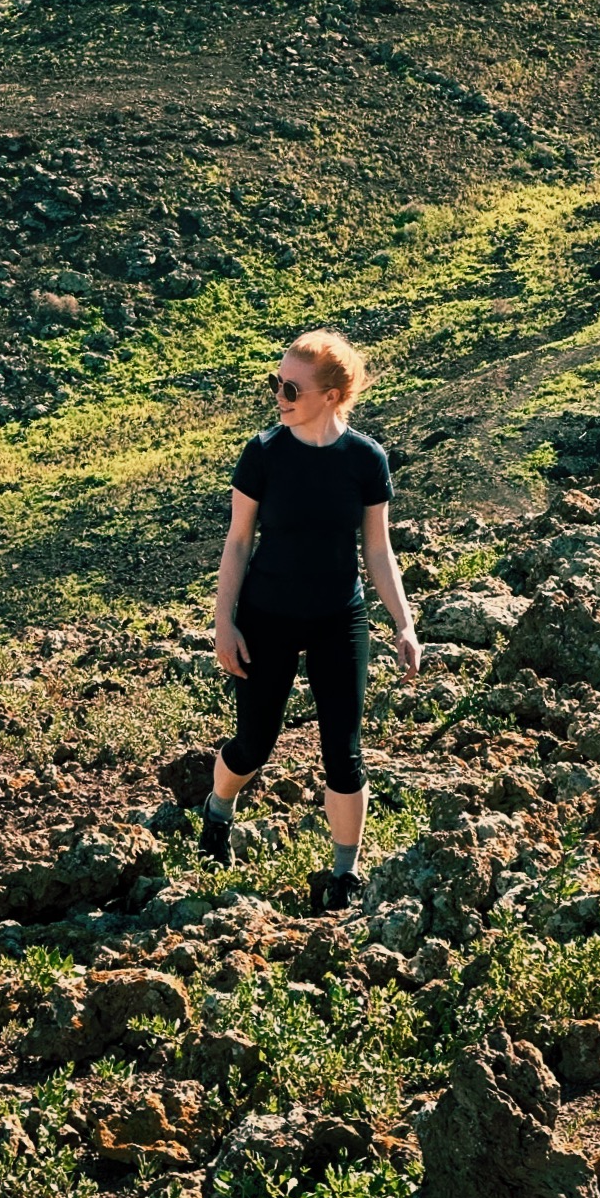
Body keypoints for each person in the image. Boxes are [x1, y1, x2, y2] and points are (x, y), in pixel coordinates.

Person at [201, 328, 422, 909]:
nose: (279, 394)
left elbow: (378, 550)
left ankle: (344, 876)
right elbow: (237, 542)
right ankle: (219, 807)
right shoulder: (264, 454)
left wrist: (403, 622)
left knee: (343, 754)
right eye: (276, 382)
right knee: (254, 745)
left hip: (337, 619)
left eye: (291, 386)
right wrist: (225, 622)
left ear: (331, 393)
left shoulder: (365, 461)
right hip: (266, 617)